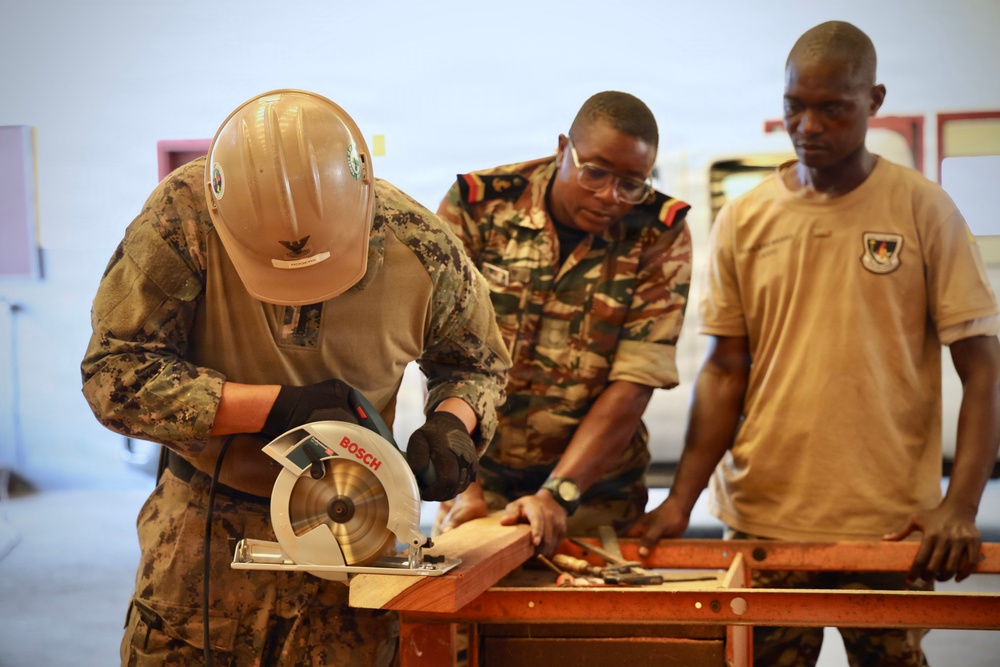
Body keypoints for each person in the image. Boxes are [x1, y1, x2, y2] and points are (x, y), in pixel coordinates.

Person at [80, 89, 510, 667]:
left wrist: (453, 423)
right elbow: (115, 374)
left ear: (363, 197)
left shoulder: (421, 245)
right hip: (206, 530)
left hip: (359, 524)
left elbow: (477, 363)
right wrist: (273, 409)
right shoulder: (183, 220)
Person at [629, 21, 1000, 666]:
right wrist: (680, 502)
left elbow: (985, 370)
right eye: (794, 106)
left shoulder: (923, 210)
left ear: (874, 101)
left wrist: (960, 506)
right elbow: (724, 372)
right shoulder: (747, 219)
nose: (808, 126)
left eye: (833, 108)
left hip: (890, 528)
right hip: (764, 523)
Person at [434, 91, 693, 555]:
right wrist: (462, 484)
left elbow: (635, 381)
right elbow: (444, 356)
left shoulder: (658, 232)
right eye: (595, 172)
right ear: (562, 150)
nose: (610, 196)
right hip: (479, 486)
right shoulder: (480, 207)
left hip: (592, 497)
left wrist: (558, 494)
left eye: (631, 184)